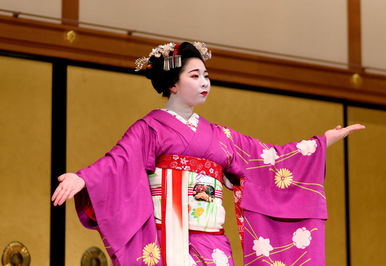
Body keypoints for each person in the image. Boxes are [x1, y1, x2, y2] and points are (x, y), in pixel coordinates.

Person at [51, 41, 365, 266]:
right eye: (195, 75)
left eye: (206, 76)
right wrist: (84, 179)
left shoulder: (221, 137)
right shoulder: (151, 128)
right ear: (173, 84)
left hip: (213, 242)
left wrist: (322, 140)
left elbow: (270, 157)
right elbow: (118, 160)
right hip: (168, 238)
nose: (204, 83)